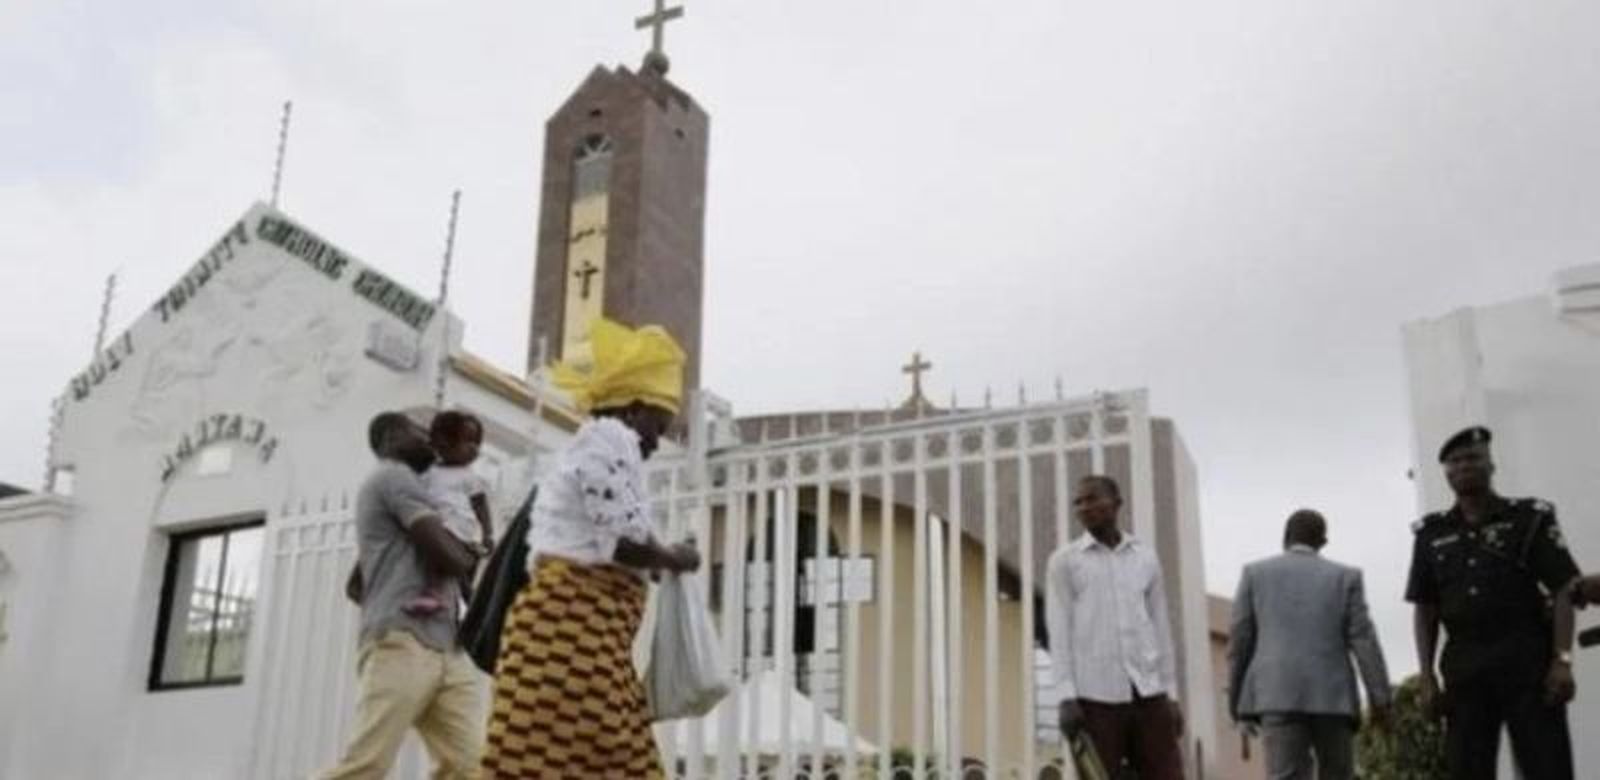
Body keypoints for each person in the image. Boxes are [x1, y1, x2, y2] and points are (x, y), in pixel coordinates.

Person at [481, 318, 701, 779]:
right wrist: (672, 557)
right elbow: (621, 543)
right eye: (657, 428)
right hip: (568, 639)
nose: (655, 443)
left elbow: (616, 540)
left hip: (579, 641)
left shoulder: (600, 450)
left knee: (561, 761)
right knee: (611, 758)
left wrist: (659, 559)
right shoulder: (609, 437)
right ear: (636, 409)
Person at [1406, 426, 1579, 780]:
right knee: (1468, 767)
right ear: (1446, 473)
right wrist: (1426, 676)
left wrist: (1562, 659)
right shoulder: (1431, 533)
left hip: (1527, 659)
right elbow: (1426, 607)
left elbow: (1565, 588)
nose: (1464, 466)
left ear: (1491, 464)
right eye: (1455, 461)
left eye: (1473, 458)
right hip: (1465, 666)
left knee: (1547, 765)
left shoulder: (1529, 518)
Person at [321, 412, 486, 780]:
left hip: (445, 648)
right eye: (419, 432)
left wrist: (396, 582)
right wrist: (470, 554)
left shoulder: (418, 491)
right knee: (368, 764)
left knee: (472, 768)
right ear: (392, 438)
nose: (430, 438)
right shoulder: (394, 476)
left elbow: (356, 586)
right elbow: (446, 555)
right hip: (405, 643)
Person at [1228, 509, 1392, 780]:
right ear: (1323, 542)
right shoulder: (1346, 577)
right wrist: (1380, 699)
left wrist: (1236, 701)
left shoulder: (1255, 574)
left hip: (1277, 694)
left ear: (1285, 537)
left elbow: (1240, 640)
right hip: (1333, 699)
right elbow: (1364, 641)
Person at [1047, 474, 1186, 780]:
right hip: (1094, 698)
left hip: (1149, 693)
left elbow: (1160, 626)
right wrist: (1066, 697)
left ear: (1117, 503)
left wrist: (1170, 693)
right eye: (1078, 502)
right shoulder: (1065, 561)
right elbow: (1059, 630)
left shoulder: (1145, 558)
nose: (1084, 507)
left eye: (1093, 498)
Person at [405, 410, 493, 616]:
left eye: (477, 443)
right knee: (439, 569)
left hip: (463, 535)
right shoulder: (428, 475)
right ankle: (443, 599)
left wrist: (488, 533)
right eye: (468, 441)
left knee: (462, 572)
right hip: (442, 532)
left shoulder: (469, 477)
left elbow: (480, 505)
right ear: (443, 442)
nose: (474, 448)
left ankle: (472, 605)